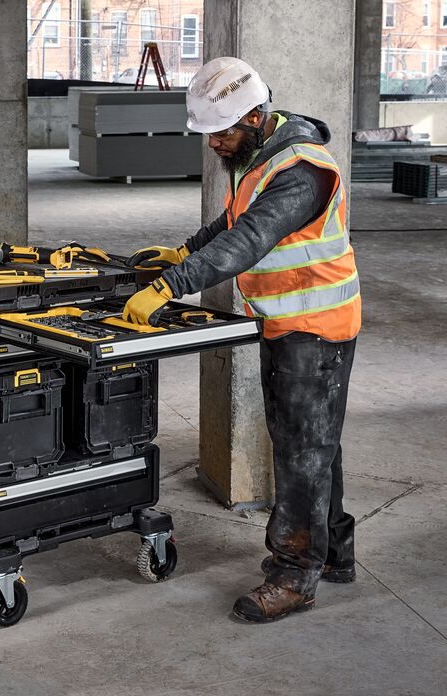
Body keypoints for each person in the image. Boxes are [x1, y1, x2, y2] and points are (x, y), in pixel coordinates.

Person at [124, 57, 361, 623]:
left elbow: (251, 238)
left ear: (255, 115)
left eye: (222, 132)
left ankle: (292, 575)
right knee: (316, 444)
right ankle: (336, 556)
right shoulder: (264, 154)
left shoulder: (302, 168)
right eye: (208, 134)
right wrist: (186, 250)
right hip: (290, 324)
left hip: (315, 328)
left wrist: (171, 285)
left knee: (301, 453)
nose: (214, 145)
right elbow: (235, 218)